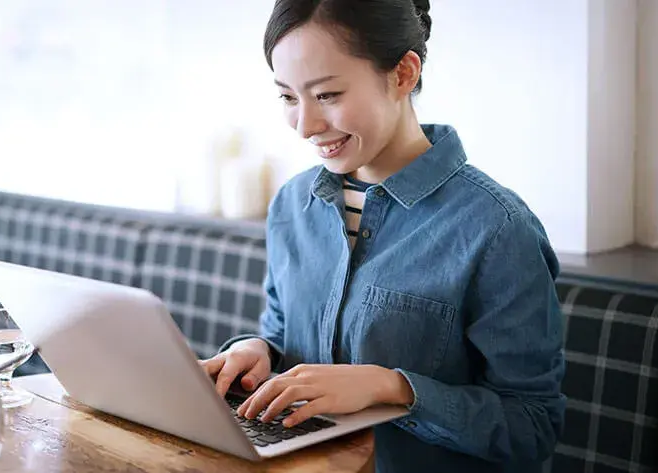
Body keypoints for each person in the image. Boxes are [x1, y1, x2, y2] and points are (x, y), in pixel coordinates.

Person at [199, 1, 566, 472]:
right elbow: (281, 332)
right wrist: (259, 351)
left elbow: (532, 427)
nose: (305, 126)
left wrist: (393, 388)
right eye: (289, 98)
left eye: (327, 95)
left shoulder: (497, 229)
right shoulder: (293, 205)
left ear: (403, 74)